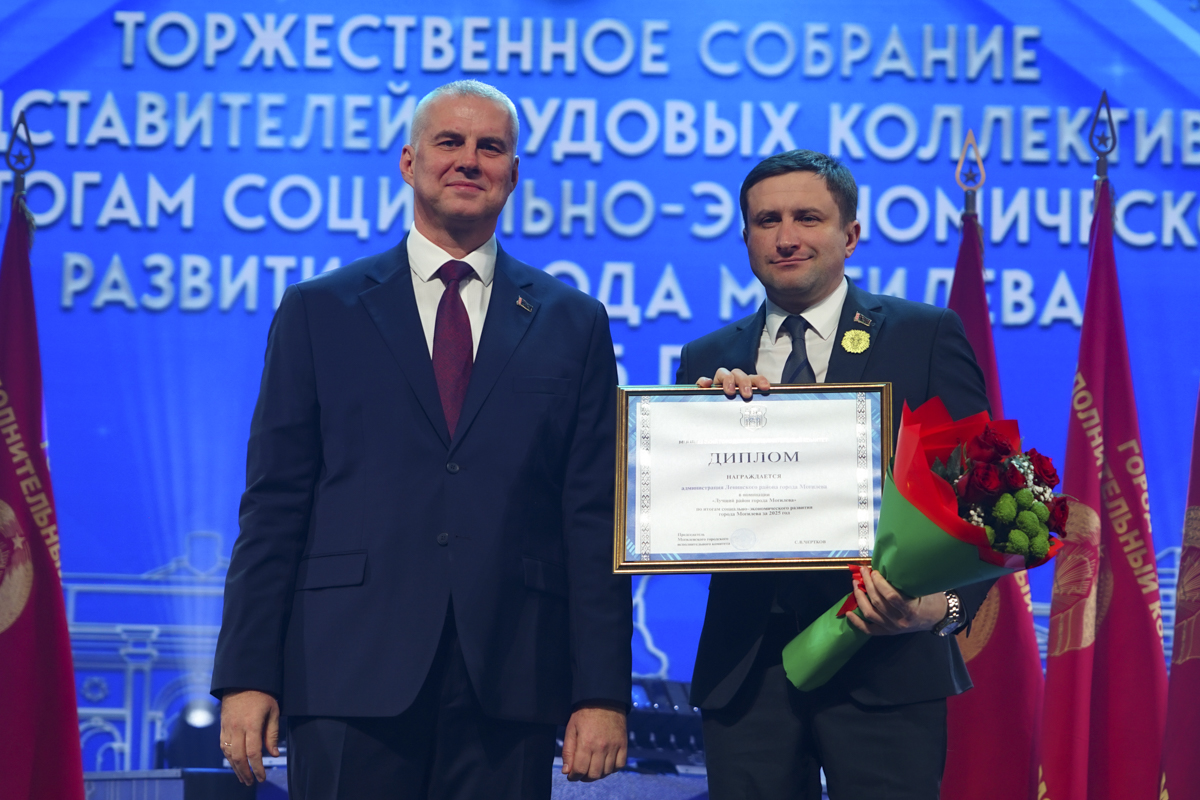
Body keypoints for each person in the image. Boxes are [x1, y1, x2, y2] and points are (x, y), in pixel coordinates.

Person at [211, 80, 631, 800]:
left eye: (490, 147)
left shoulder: (574, 321)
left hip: (511, 675)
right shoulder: (319, 310)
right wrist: (247, 675)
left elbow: (592, 519)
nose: (469, 160)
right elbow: (275, 504)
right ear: (409, 162)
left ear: (513, 174)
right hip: (347, 671)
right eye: (450, 142)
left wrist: (601, 691)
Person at [675, 149, 994, 800]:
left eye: (807, 218)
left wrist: (940, 609)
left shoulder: (925, 336)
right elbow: (679, 512)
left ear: (849, 235)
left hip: (888, 661)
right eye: (767, 221)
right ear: (745, 238)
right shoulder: (707, 360)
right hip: (748, 675)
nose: (786, 237)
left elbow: (991, 499)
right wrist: (703, 430)